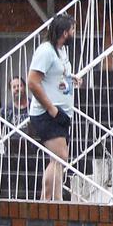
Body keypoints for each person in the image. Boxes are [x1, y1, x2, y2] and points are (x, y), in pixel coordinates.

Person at [26, 14, 81, 201]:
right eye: (73, 30)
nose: (75, 33)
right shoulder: (46, 51)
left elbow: (57, 73)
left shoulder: (61, 51)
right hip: (46, 113)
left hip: (61, 111)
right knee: (60, 157)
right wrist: (52, 109)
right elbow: (32, 83)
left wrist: (71, 78)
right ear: (64, 32)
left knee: (58, 160)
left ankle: (55, 201)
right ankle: (47, 200)